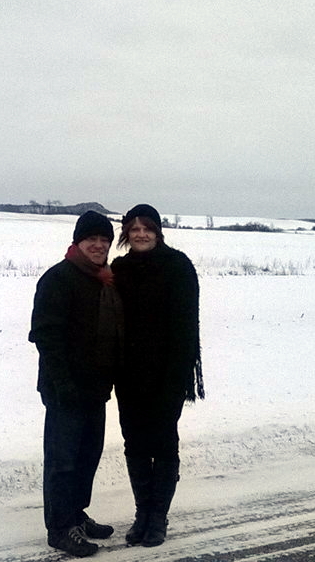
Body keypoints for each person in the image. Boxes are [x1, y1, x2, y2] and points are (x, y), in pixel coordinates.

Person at [29, 210, 123, 558]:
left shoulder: (104, 279)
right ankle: (60, 527)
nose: (98, 245)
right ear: (77, 242)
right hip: (64, 389)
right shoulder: (58, 279)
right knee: (63, 461)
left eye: (104, 239)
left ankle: (76, 515)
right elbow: (45, 335)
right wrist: (63, 384)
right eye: (91, 239)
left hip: (95, 388)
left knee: (87, 457)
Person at [111, 203, 204, 548]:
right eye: (134, 228)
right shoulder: (119, 269)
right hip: (128, 375)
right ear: (126, 233)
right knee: (134, 443)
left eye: (147, 228)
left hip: (167, 374)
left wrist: (178, 378)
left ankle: (158, 517)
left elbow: (186, 329)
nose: (141, 234)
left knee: (163, 442)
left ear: (158, 231)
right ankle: (142, 514)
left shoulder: (178, 266)